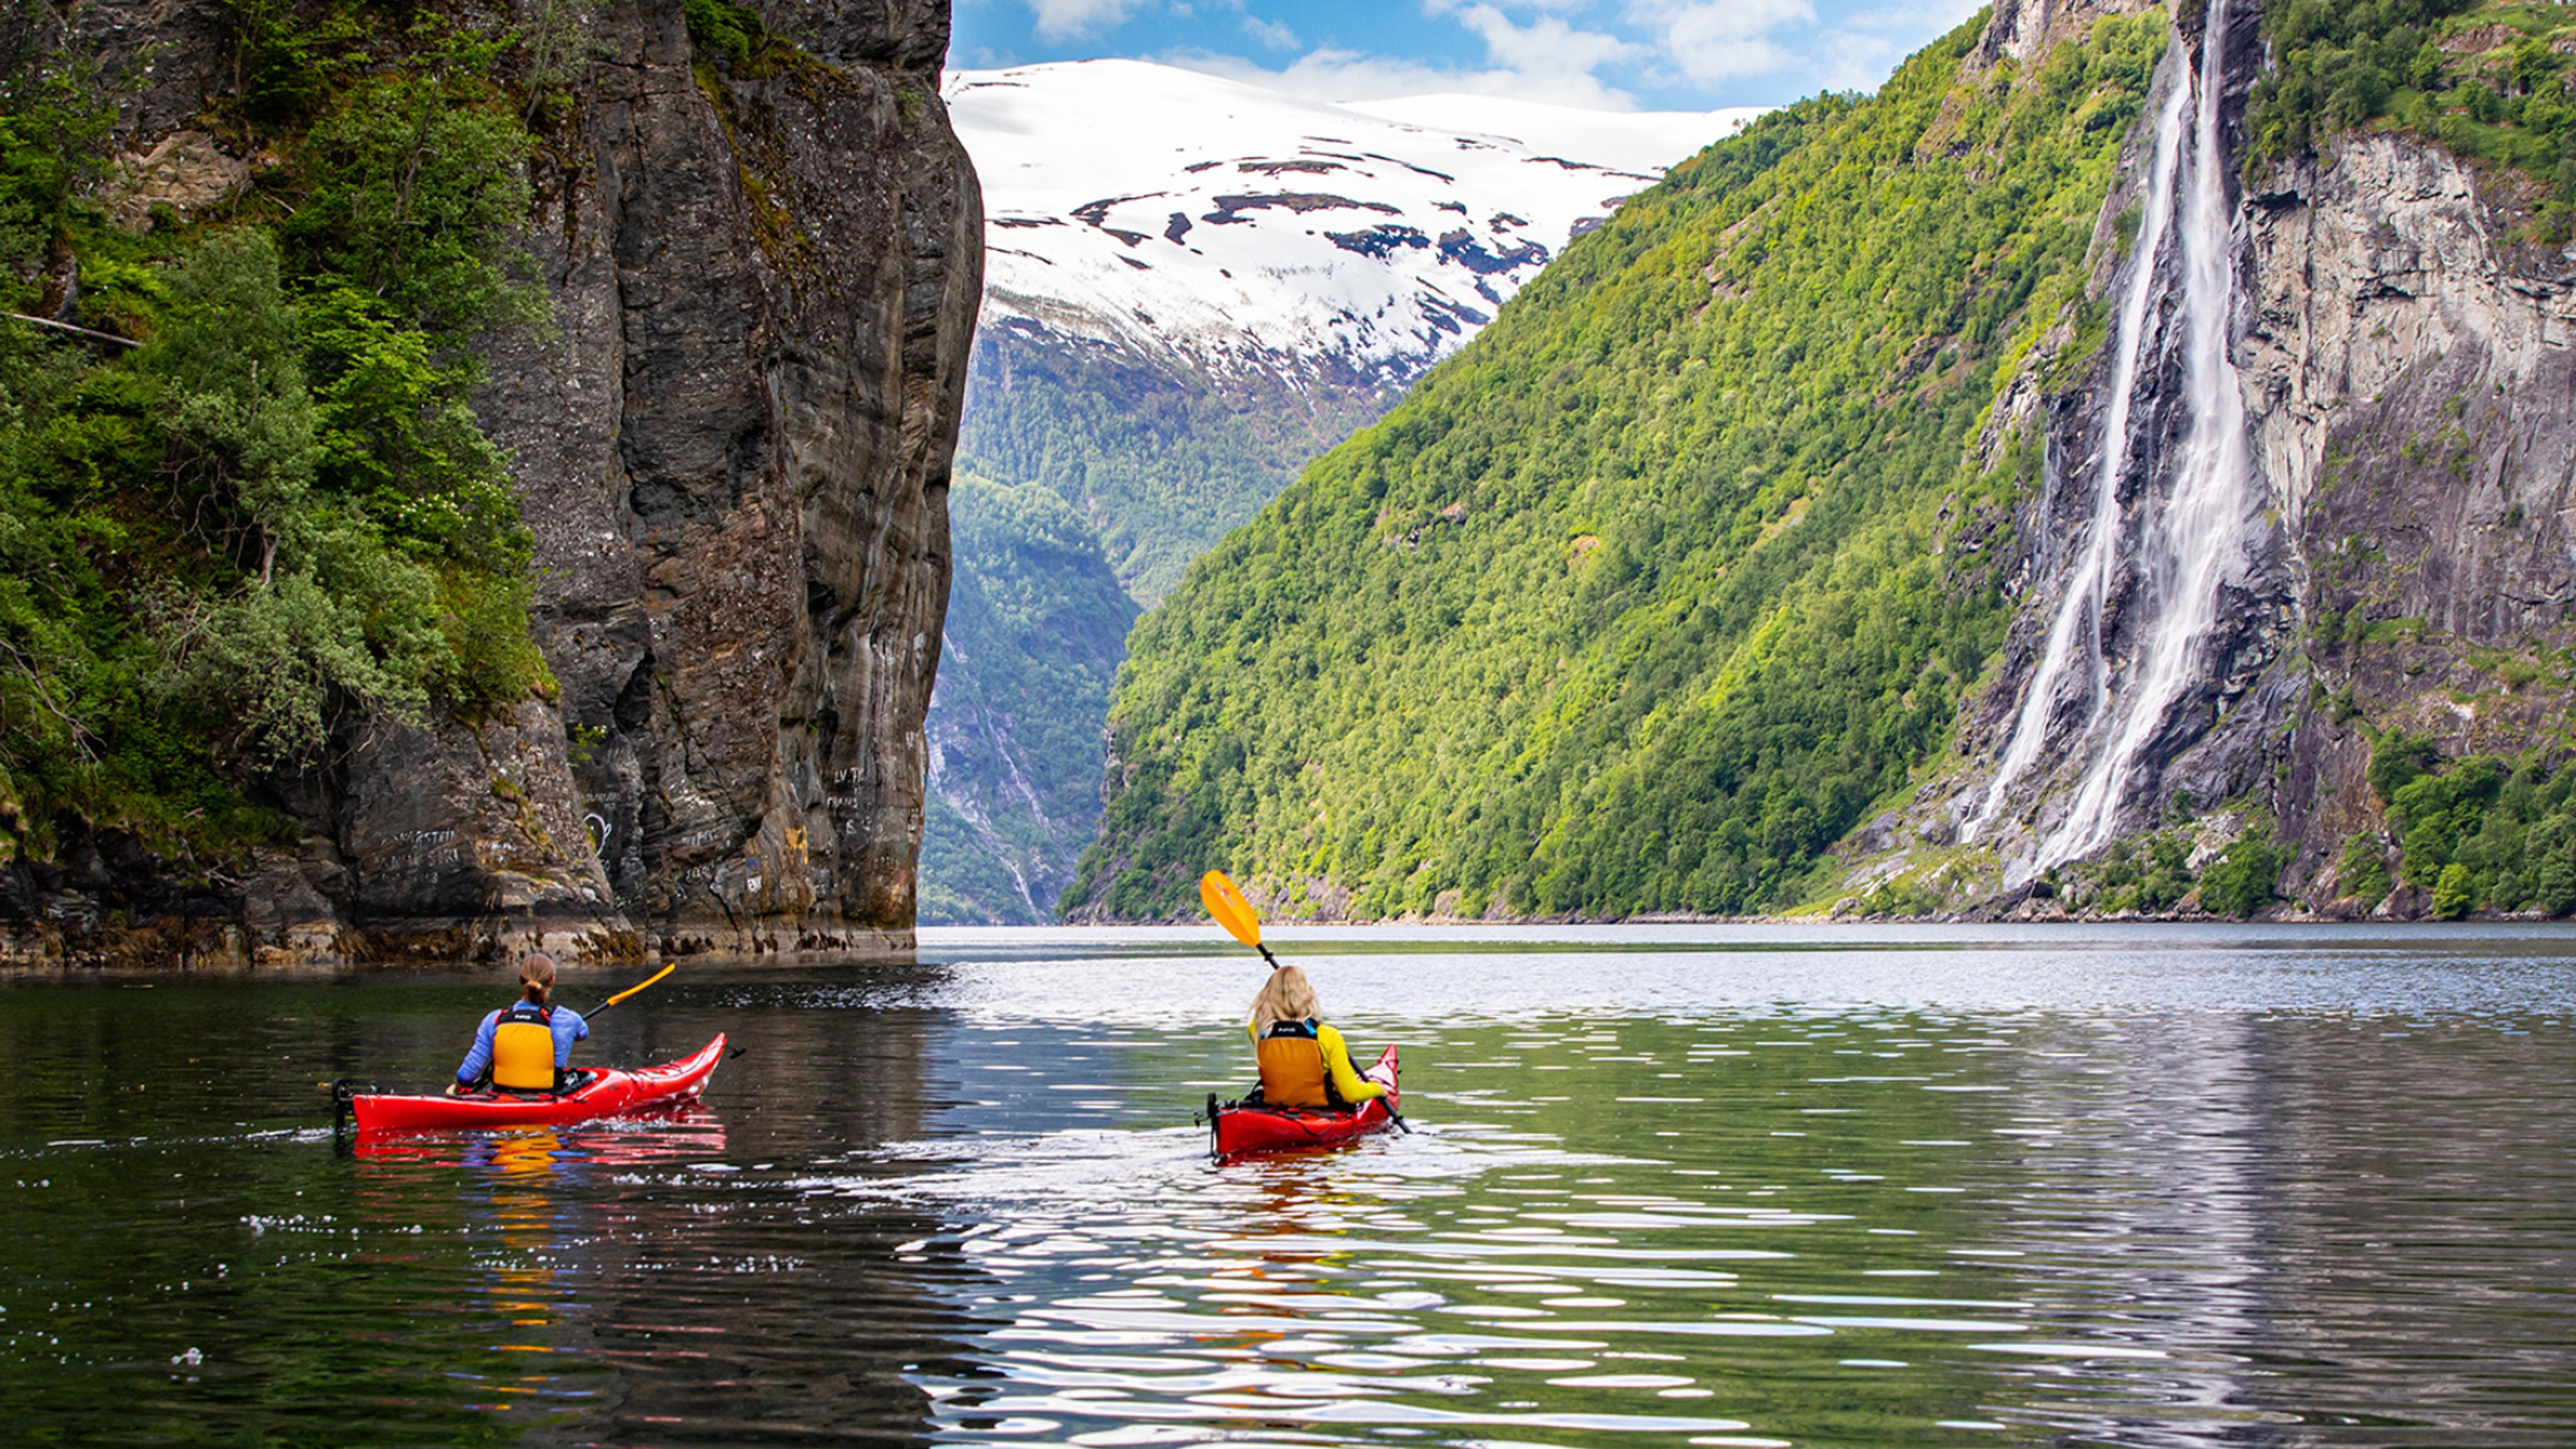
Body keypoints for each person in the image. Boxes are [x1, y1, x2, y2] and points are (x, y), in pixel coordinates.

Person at [1246, 965, 1384, 1109]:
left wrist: (1280, 991)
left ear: (1268, 996)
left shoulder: (1259, 1031)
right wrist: (1378, 1089)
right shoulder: (1328, 1036)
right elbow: (1353, 1094)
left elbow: (1262, 1021)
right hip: (1321, 1112)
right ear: (1308, 996)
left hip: (1274, 1107)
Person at [449, 953, 590, 1095]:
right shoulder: (568, 1019)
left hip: (503, 1096)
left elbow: (466, 1076)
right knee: (586, 1078)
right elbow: (583, 1034)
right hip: (548, 1096)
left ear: (520, 978)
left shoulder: (494, 1020)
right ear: (552, 981)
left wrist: (455, 1090)